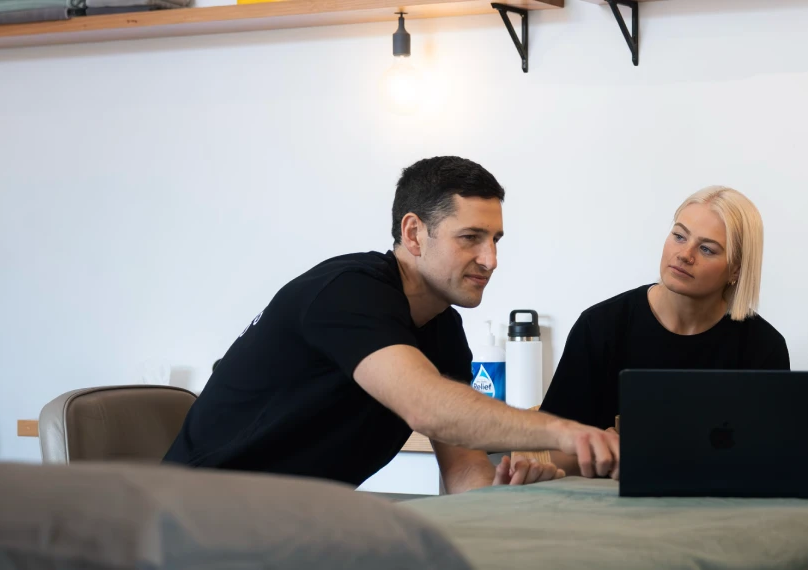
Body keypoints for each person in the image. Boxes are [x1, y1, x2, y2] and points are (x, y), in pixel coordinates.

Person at [163, 156, 619, 493]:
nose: (491, 260)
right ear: (414, 233)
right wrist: (566, 432)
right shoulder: (347, 292)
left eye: (495, 240)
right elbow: (428, 407)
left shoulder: (442, 327)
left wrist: (503, 491)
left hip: (296, 527)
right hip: (197, 521)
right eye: (470, 238)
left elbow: (464, 469)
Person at [540, 185, 790, 475]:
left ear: (735, 269)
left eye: (707, 249)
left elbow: (775, 460)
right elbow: (549, 450)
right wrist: (602, 451)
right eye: (679, 236)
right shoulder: (599, 327)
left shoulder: (763, 347)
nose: (684, 254)